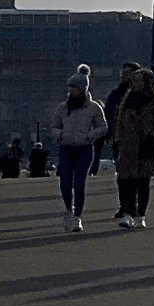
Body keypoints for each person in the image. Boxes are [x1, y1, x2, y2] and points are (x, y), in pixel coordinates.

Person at [108, 64, 154, 229]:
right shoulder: (128, 100)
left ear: (147, 82)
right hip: (128, 145)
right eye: (133, 80)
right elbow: (120, 121)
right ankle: (128, 213)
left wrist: (153, 135)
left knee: (142, 182)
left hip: (146, 145)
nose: (133, 84)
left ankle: (140, 215)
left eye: (137, 80)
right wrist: (118, 139)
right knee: (124, 181)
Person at [52, 70, 106, 231]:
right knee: (65, 183)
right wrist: (60, 135)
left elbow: (103, 126)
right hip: (66, 147)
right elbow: (54, 126)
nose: (70, 92)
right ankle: (69, 209)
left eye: (73, 89)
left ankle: (77, 218)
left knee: (80, 182)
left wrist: (91, 135)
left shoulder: (94, 107)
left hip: (84, 148)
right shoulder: (63, 107)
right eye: (69, 89)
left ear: (83, 89)